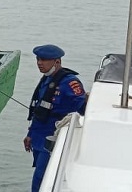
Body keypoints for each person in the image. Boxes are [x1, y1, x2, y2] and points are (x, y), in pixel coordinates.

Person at [24, 44, 86, 192]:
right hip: (39, 136)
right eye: (38, 59)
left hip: (53, 138)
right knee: (38, 175)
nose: (39, 63)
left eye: (44, 60)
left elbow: (83, 107)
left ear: (57, 62)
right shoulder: (46, 80)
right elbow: (39, 110)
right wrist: (30, 134)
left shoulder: (69, 82)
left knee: (42, 177)